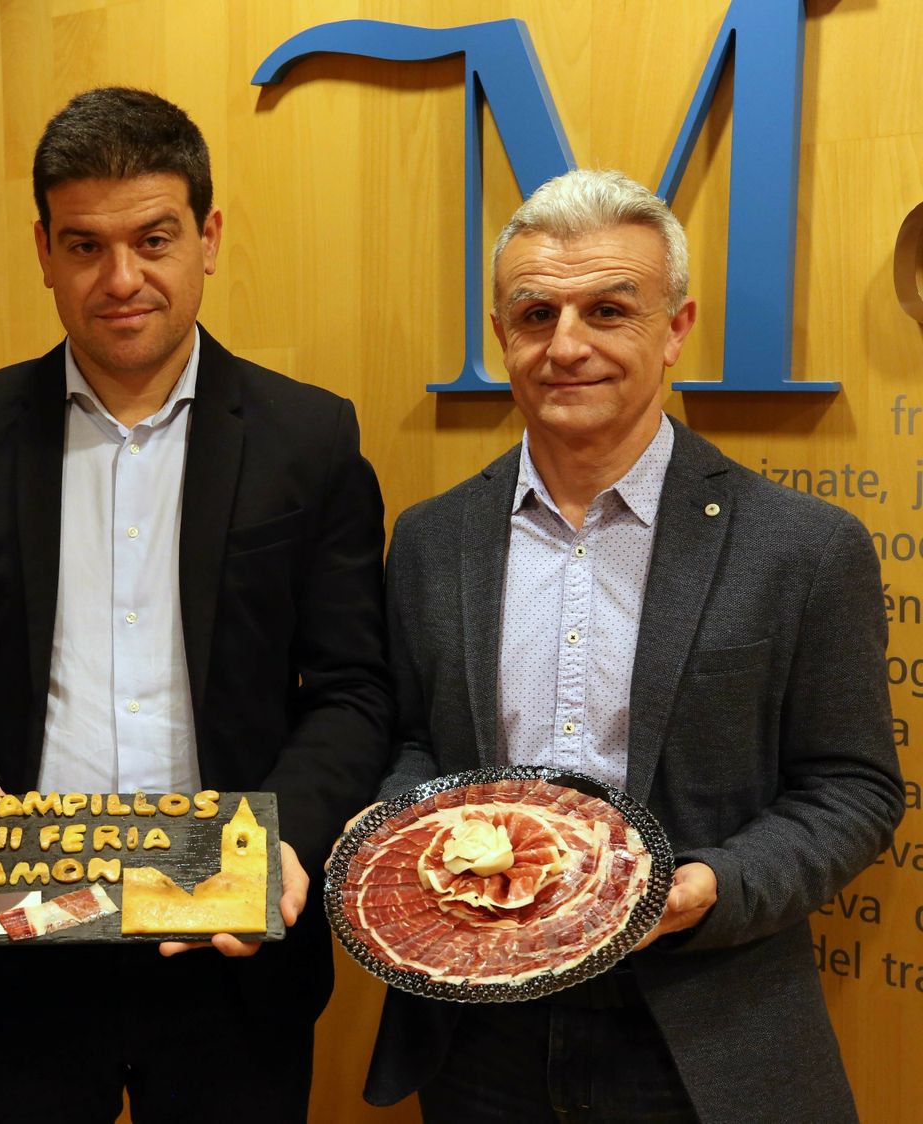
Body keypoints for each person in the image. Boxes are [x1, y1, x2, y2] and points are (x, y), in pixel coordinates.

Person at [0, 87, 390, 1122]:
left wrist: (278, 845)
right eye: (85, 246)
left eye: (153, 238)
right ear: (43, 249)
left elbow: (352, 688)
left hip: (227, 951)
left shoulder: (309, 439)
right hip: (15, 942)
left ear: (207, 236)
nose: (121, 279)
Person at [360, 168, 904, 1122]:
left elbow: (852, 790)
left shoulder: (805, 549)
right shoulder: (431, 538)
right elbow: (413, 740)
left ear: (677, 329)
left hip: (705, 1026)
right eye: (536, 316)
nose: (567, 346)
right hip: (481, 1034)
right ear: (502, 338)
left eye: (609, 310)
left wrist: (709, 890)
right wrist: (420, 837)